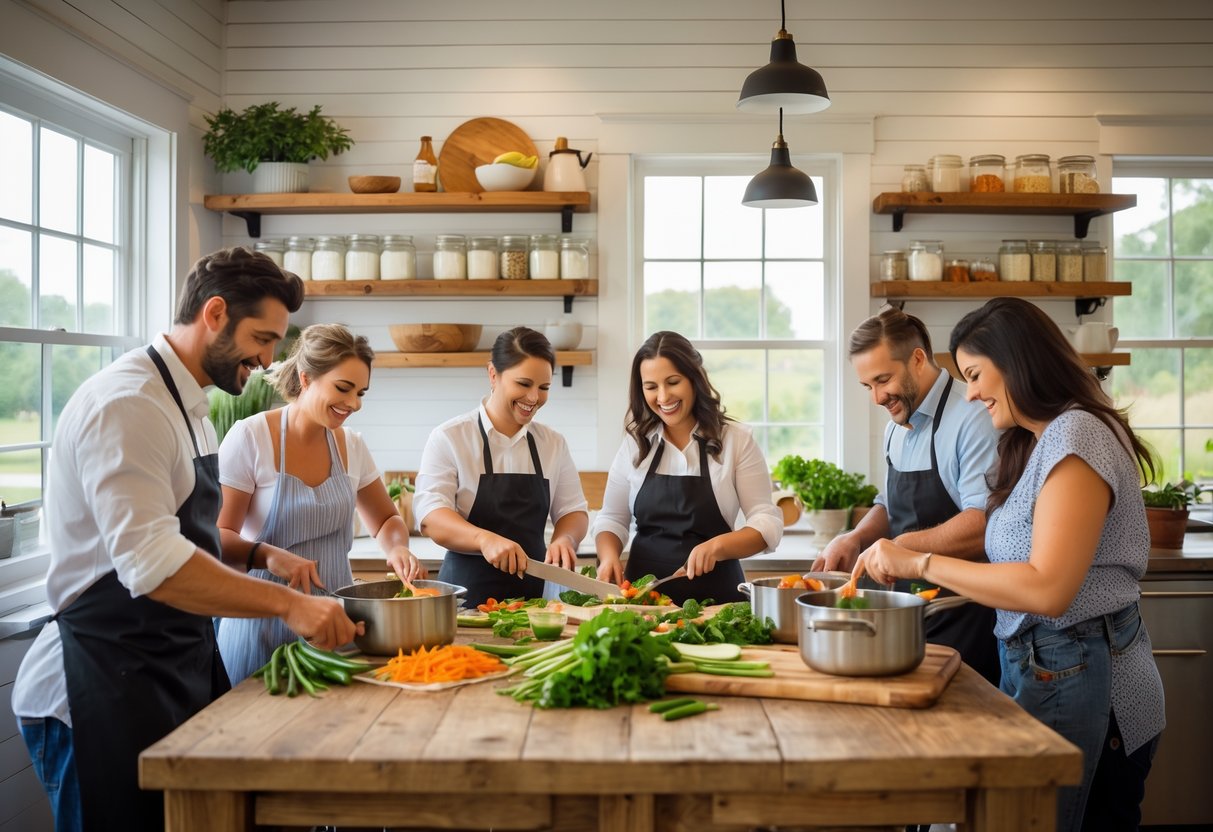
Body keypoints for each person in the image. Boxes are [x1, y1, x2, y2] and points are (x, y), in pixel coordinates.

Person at [11, 247, 359, 831]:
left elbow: (190, 535)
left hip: (162, 669)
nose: (270, 358)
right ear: (215, 313)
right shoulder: (128, 405)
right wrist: (290, 603)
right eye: (263, 337)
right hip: (95, 686)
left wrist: (257, 553)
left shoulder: (190, 405)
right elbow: (155, 564)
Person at [856, 298, 1165, 832]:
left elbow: (1047, 589)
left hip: (1088, 675)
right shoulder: (1036, 441)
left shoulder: (1079, 436)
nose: (972, 392)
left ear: (1017, 361)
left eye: (976, 374)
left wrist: (921, 561)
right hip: (1046, 668)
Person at [215, 323, 426, 683]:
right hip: (260, 625)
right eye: (343, 388)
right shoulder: (250, 437)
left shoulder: (352, 446)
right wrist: (269, 555)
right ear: (306, 377)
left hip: (333, 628)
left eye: (361, 392)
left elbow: (386, 520)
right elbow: (218, 537)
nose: (354, 404)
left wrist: (397, 549)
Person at [811, 307, 1002, 685]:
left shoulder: (973, 418)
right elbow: (888, 502)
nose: (878, 397)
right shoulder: (896, 426)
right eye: (868, 386)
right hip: (906, 616)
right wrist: (856, 537)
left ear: (917, 359)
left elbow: (982, 523)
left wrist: (898, 548)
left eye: (883, 380)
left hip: (961, 614)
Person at [592, 331, 782, 605]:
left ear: (694, 379)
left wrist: (717, 547)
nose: (663, 396)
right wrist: (608, 556)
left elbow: (767, 523)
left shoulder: (736, 441)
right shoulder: (635, 445)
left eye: (673, 382)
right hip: (644, 604)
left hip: (719, 604)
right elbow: (611, 519)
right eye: (651, 386)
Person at [413, 327, 588, 607]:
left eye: (543, 388)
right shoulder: (450, 437)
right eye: (523, 384)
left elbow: (572, 511)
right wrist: (484, 539)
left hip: (535, 605)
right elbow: (431, 517)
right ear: (493, 374)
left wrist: (565, 538)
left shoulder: (552, 443)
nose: (533, 398)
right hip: (465, 603)